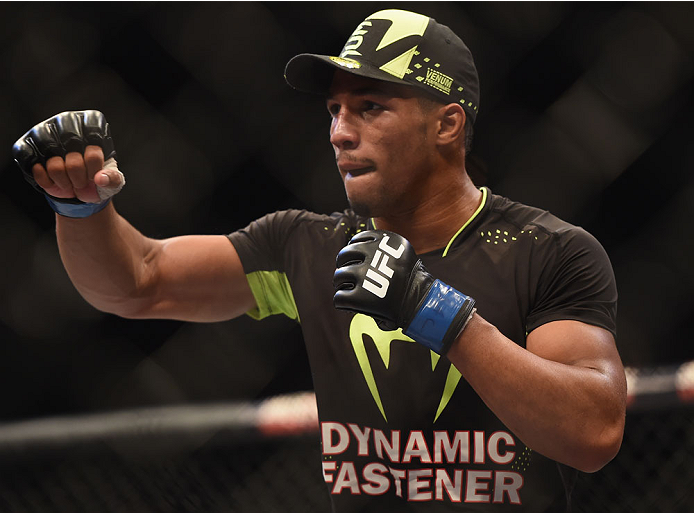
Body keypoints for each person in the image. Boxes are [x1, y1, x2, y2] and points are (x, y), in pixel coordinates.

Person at [12, 9, 626, 512]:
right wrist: (82, 210)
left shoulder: (547, 250)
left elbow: (595, 433)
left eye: (370, 108)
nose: (338, 132)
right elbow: (137, 283)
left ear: (446, 124)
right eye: (334, 110)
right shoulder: (306, 245)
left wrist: (437, 312)